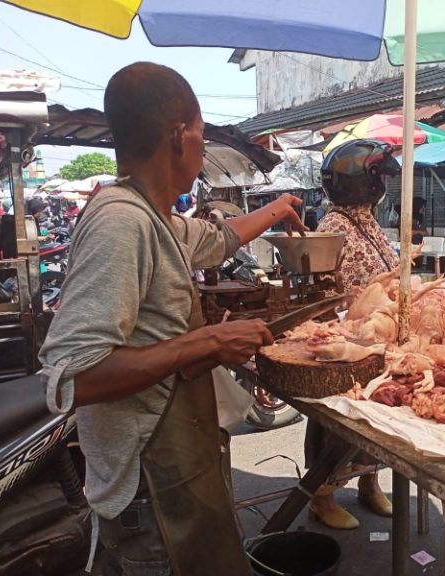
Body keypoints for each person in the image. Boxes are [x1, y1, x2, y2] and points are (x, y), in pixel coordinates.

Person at [38, 62, 306, 576]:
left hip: (172, 474)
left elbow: (216, 239)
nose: (203, 149)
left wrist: (278, 209)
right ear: (180, 136)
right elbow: (72, 376)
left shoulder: (153, 215)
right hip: (149, 490)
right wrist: (204, 343)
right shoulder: (121, 222)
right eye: (203, 135)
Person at [305, 139, 401, 529]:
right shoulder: (334, 225)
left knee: (370, 417)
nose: (385, 185)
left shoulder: (369, 221)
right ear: (366, 181)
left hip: (376, 339)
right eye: (380, 177)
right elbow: (330, 290)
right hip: (345, 339)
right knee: (333, 420)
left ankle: (367, 482)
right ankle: (321, 495)